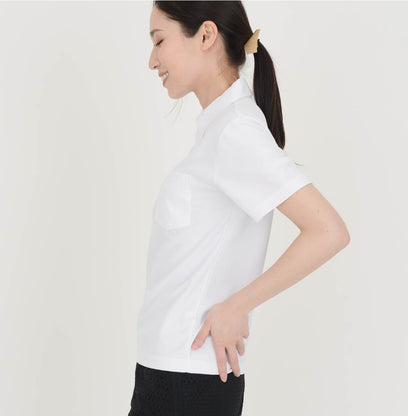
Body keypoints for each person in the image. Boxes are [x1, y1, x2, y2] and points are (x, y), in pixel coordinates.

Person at [127, 2, 350, 415]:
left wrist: (239, 304)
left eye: (159, 41)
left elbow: (328, 231)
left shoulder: (235, 131)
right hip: (171, 375)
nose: (152, 61)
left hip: (186, 381)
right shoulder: (220, 128)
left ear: (206, 35)